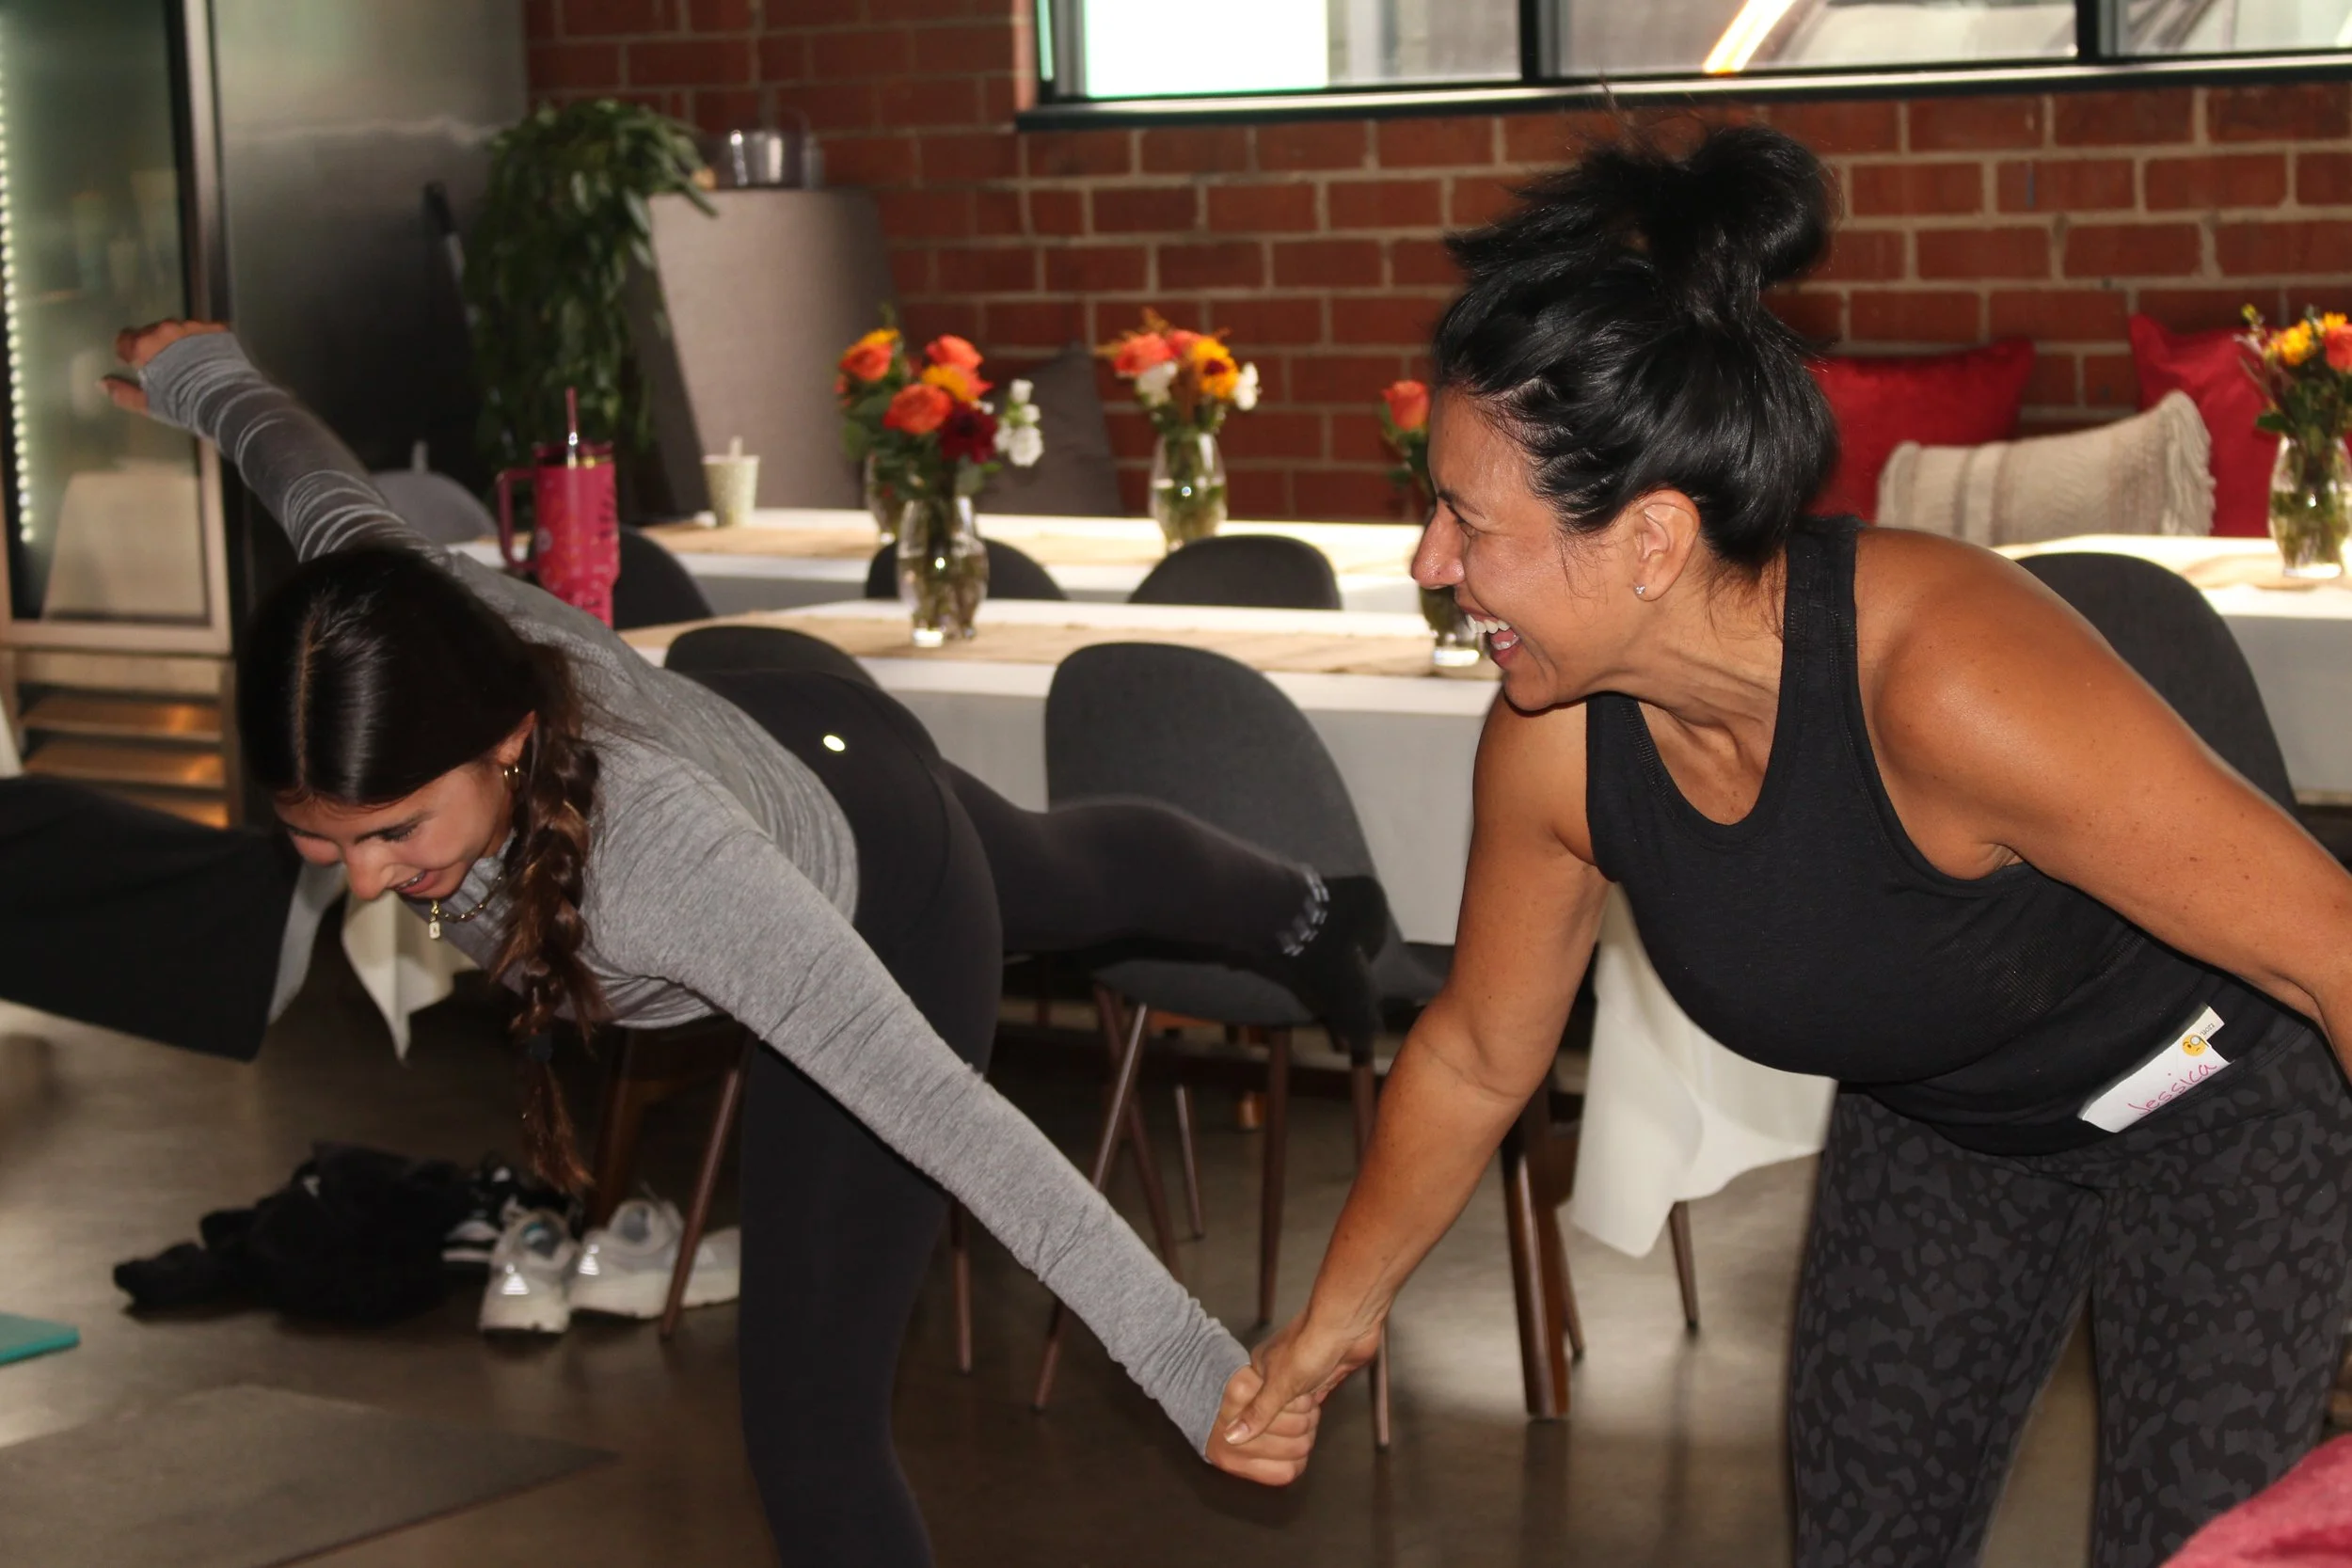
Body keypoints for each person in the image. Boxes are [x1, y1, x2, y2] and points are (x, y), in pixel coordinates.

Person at [1222, 124, 2352, 1567]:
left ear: (1648, 539)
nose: (1431, 565)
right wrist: (1329, 1329)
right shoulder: (1558, 737)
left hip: (2220, 1105)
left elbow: (2329, 940)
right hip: (1948, 1114)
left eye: (1465, 519)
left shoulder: (1940, 678)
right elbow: (1476, 1054)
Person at [102, 319, 1344, 1564]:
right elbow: (304, 471)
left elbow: (964, 1129)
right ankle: (1318, 910)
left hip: (872, 879)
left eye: (395, 829)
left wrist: (1199, 1375)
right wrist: (203, 374)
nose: (368, 877)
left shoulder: (659, 870)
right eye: (322, 838)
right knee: (1055, 865)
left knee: (811, 1429)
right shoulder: (391, 617)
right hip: (776, 743)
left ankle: (1312, 913)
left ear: (505, 740)